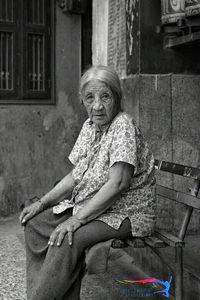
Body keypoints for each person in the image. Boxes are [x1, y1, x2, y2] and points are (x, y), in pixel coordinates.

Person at [19, 65, 156, 300]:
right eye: (90, 98)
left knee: (68, 239)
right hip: (95, 205)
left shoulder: (122, 125)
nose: (97, 106)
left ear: (117, 97)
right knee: (34, 224)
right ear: (82, 101)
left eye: (105, 96)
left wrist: (75, 220)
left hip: (126, 213)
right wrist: (41, 203)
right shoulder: (90, 127)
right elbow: (75, 176)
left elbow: (119, 183)